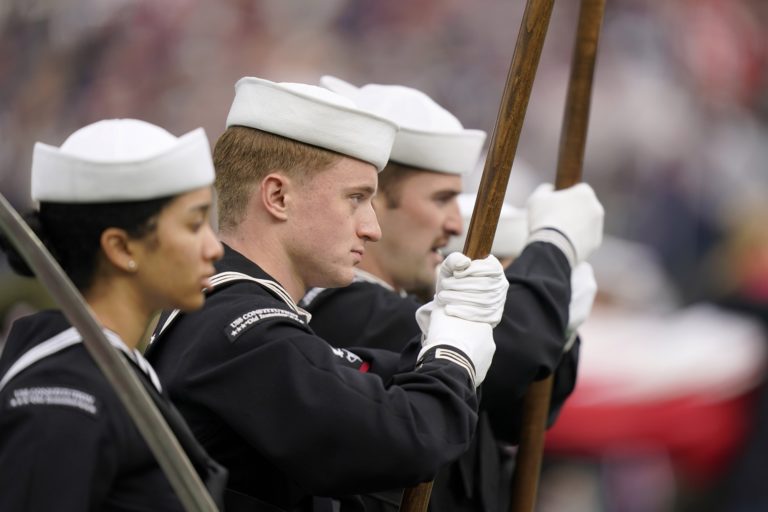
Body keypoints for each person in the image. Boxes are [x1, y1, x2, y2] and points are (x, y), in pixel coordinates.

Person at [145, 76, 510, 512]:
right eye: (355, 198)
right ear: (278, 196)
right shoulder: (242, 331)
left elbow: (362, 383)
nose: (371, 229)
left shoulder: (234, 314)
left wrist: (433, 342)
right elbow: (404, 441)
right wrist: (453, 354)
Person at [301, 77, 603, 512]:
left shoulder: (397, 307)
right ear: (373, 202)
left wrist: (561, 324)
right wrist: (553, 248)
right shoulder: (349, 309)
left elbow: (515, 408)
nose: (454, 224)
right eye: (441, 199)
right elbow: (513, 353)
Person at [0, 119, 228, 510]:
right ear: (121, 248)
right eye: (194, 225)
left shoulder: (110, 367)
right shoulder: (64, 396)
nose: (214, 248)